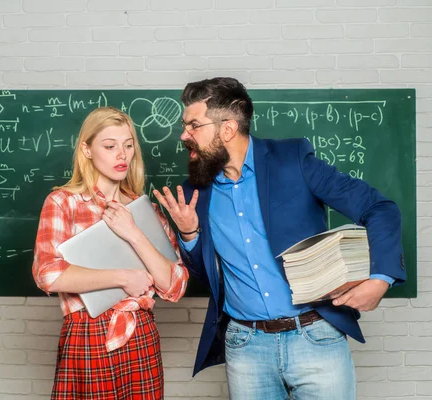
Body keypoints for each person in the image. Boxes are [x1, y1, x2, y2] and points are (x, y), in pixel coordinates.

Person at [154, 77, 406, 399]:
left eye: (193, 126)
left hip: (316, 337)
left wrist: (380, 279)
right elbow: (207, 280)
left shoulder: (294, 161)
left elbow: (379, 208)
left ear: (227, 129)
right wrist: (189, 233)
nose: (184, 135)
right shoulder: (193, 194)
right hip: (245, 347)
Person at [32, 106, 188, 400]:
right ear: (87, 150)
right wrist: (123, 277)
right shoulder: (64, 202)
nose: (122, 155)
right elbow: (48, 274)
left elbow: (175, 285)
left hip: (140, 331)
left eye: (128, 146)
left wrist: (133, 232)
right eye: (110, 146)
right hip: (87, 333)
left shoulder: (147, 211)